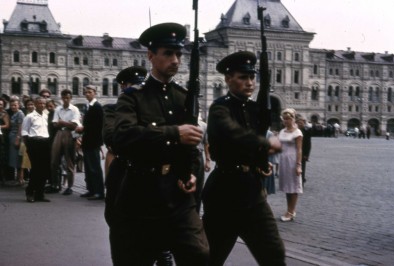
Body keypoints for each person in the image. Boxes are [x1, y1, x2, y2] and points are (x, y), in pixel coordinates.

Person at [110, 23, 209, 265]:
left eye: (179, 54)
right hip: (141, 193)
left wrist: (192, 172)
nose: (175, 60)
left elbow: (192, 142)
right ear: (151, 56)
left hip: (177, 195)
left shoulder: (183, 96)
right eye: (168, 53)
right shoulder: (132, 95)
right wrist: (174, 132)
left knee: (199, 254)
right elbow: (122, 137)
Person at [202, 51, 286, 265]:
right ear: (229, 79)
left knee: (274, 254)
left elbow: (253, 139)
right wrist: (265, 144)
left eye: (252, 77)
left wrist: (260, 162)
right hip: (224, 194)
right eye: (243, 77)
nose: (250, 83)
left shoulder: (255, 108)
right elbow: (234, 133)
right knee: (212, 257)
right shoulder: (220, 107)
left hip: (252, 193)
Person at [50, 89, 81, 195]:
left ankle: (70, 186)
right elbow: (54, 124)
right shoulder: (58, 108)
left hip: (69, 134)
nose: (66, 100)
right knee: (54, 160)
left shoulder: (74, 109)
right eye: (64, 98)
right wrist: (67, 123)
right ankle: (55, 184)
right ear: (62, 98)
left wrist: (62, 122)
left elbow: (74, 125)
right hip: (59, 133)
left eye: (68, 98)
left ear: (70, 98)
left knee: (69, 161)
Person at [76, 85, 104, 200]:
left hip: (94, 142)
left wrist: (84, 128)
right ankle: (91, 190)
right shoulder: (88, 106)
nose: (87, 94)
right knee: (88, 167)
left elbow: (98, 126)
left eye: (90, 92)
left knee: (95, 167)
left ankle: (99, 192)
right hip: (87, 141)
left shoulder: (97, 107)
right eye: (86, 92)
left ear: (95, 93)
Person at [21, 97, 51, 202]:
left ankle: (40, 193)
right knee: (36, 169)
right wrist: (29, 145)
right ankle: (29, 192)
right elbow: (24, 132)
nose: (42, 105)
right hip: (34, 143)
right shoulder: (29, 117)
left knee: (44, 170)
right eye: (39, 103)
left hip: (45, 143)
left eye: (44, 104)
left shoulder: (46, 116)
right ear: (35, 104)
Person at [278, 108, 303, 222]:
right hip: (283, 160)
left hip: (292, 160)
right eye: (284, 119)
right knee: (287, 187)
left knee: (293, 186)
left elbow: (299, 150)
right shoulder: (282, 131)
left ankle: (291, 211)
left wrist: (298, 165)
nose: (286, 121)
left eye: (288, 118)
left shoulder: (297, 132)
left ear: (293, 119)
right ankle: (289, 209)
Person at [8, 99, 25, 185]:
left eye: (15, 105)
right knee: (15, 158)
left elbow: (21, 127)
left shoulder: (20, 113)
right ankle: (17, 178)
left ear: (19, 105)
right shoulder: (14, 114)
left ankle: (20, 179)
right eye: (12, 105)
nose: (13, 107)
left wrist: (18, 138)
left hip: (17, 137)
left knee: (19, 158)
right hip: (12, 136)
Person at [295, 114, 312, 187]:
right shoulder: (294, 131)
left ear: (304, 124)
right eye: (298, 123)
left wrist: (307, 155)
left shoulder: (306, 131)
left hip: (303, 153)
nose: (300, 124)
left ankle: (301, 181)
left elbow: (308, 144)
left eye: (301, 123)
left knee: (302, 168)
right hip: (294, 152)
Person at [0, 98, 10, 184]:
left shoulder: (4, 114)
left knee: (1, 156)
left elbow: (7, 125)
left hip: (1, 137)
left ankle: (2, 177)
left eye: (1, 104)